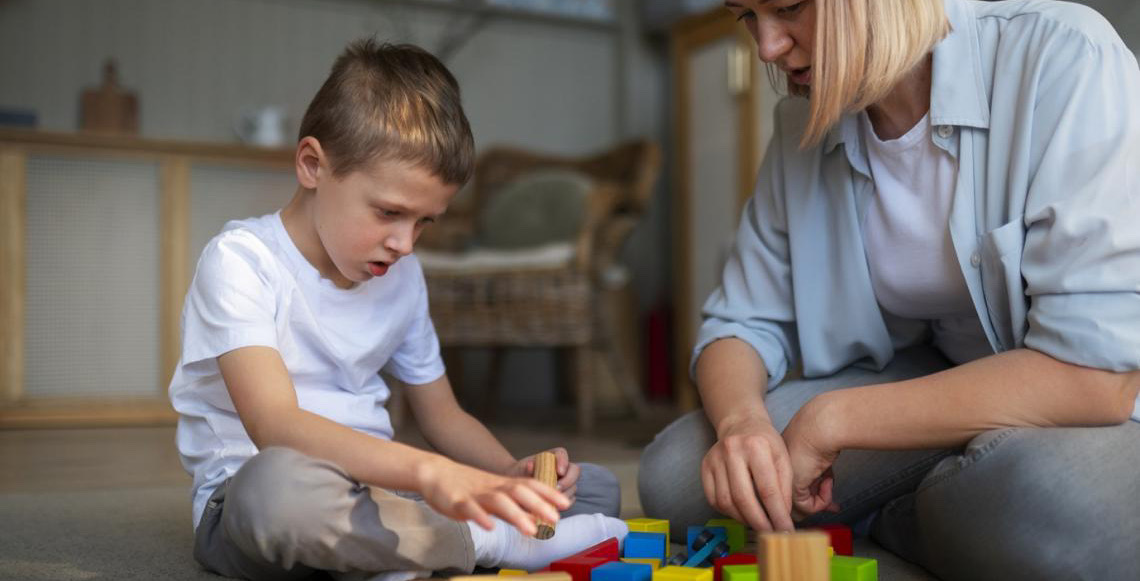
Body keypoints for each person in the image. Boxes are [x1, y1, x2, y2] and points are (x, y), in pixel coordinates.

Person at [639, 0, 1140, 579]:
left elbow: (1096, 377)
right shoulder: (800, 123)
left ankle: (903, 515)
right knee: (680, 475)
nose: (767, 47)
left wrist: (834, 420)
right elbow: (740, 325)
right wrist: (741, 426)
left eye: (789, 8)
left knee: (1051, 509)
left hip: (1103, 397)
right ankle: (951, 511)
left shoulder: (1065, 53)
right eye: (746, 16)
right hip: (940, 371)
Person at [169, 39, 625, 581]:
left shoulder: (402, 277)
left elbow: (443, 415)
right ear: (313, 165)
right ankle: (487, 541)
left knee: (597, 489)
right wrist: (435, 475)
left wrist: (507, 474)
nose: (405, 243)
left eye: (424, 222)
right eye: (389, 213)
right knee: (278, 495)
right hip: (254, 500)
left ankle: (403, 547)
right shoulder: (241, 262)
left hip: (379, 493)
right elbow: (277, 426)